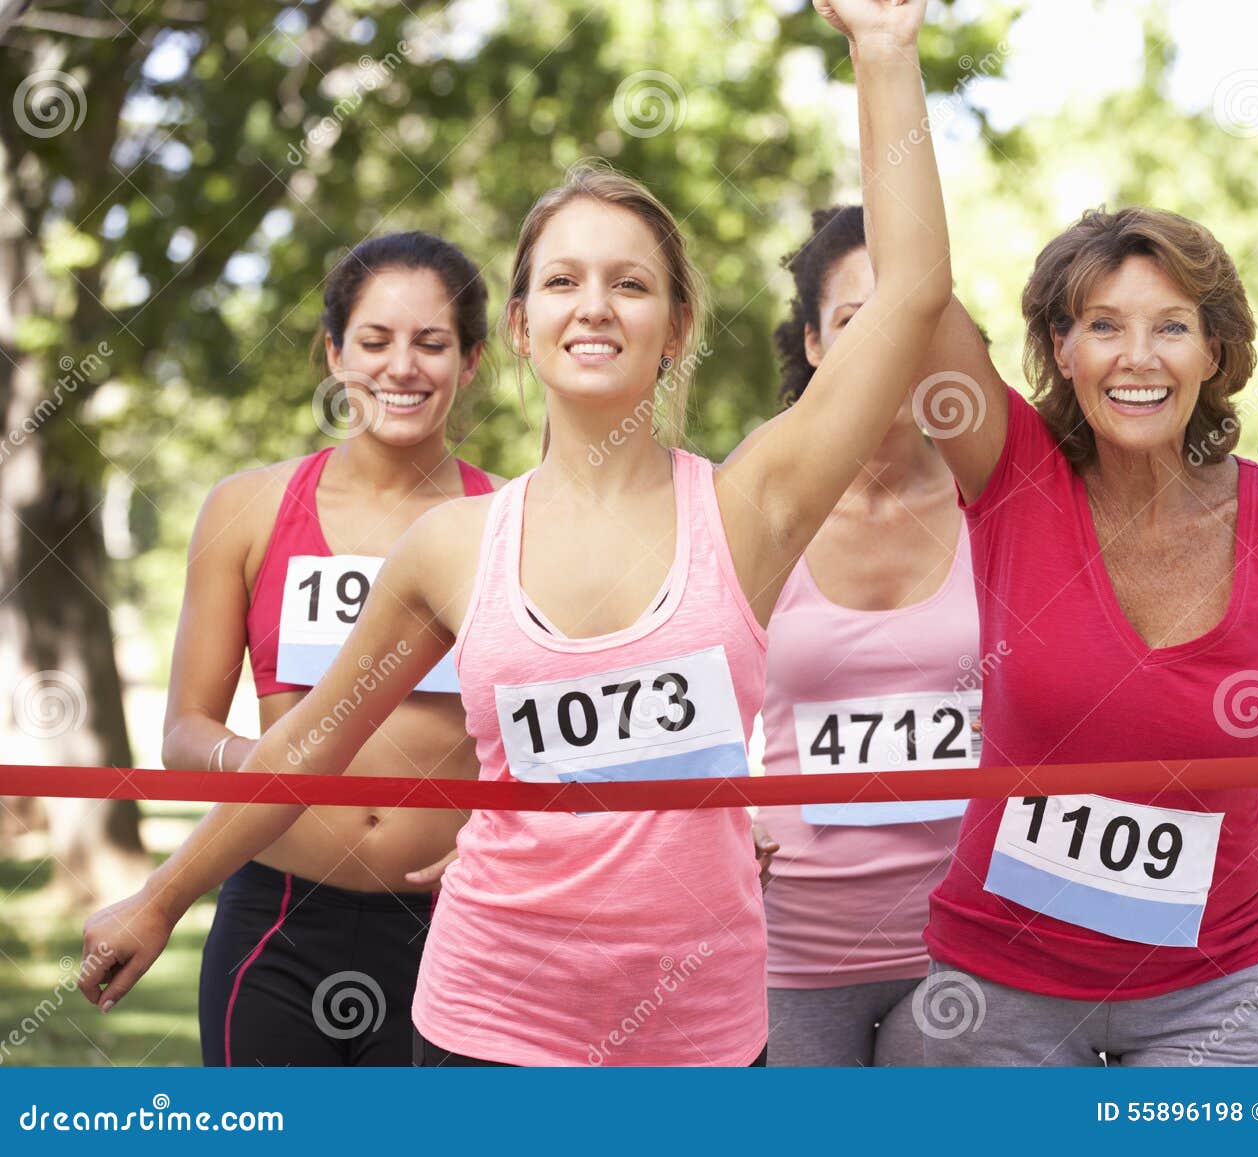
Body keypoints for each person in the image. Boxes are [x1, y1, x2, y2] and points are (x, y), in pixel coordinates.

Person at [80, 0, 952, 1068]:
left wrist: (883, 47)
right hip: (487, 1020)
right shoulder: (454, 545)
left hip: (701, 1036)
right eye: (562, 282)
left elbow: (910, 294)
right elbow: (307, 745)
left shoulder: (747, 505)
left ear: (675, 326)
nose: (595, 305)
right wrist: (161, 897)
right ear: (526, 325)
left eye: (630, 282)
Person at [910, 207, 1258, 1066]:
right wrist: (888, 65)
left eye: (1172, 327)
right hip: (1001, 989)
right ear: (1061, 347)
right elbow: (920, 295)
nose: (1139, 356)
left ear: (1213, 352)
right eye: (1104, 326)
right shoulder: (1013, 473)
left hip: (1219, 991)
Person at [158, 231, 500, 1065]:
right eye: (375, 340)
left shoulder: (511, 523)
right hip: (277, 919)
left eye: (432, 343)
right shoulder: (245, 509)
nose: (402, 367)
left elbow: (545, 738)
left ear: (473, 360)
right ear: (335, 351)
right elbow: (182, 735)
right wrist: (273, 766)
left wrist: (500, 826)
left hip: (454, 927)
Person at [758, 205, 977, 1066]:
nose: (887, 346)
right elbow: (671, 674)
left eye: (908, 319)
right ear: (813, 342)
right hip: (787, 954)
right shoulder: (758, 501)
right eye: (856, 321)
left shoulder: (995, 500)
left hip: (968, 951)